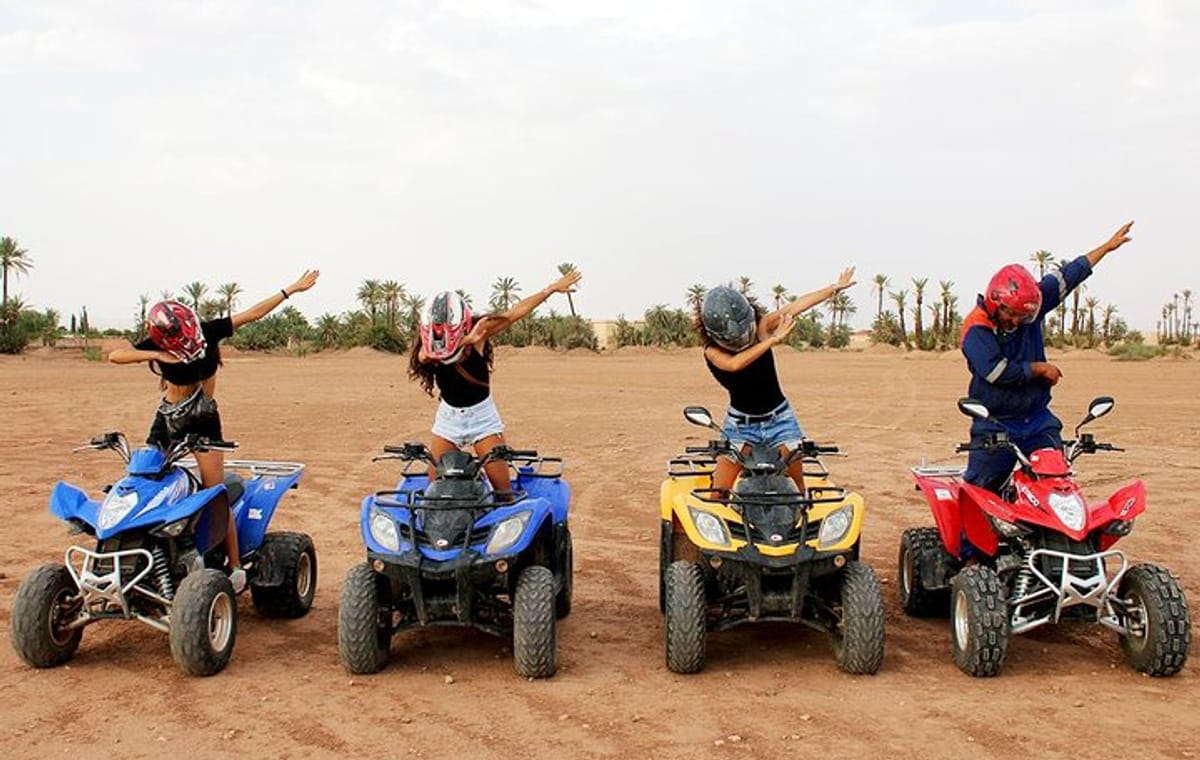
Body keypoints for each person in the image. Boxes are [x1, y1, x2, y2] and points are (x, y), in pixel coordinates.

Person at [108, 271, 320, 592]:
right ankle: (146, 554)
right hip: (167, 419)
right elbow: (115, 355)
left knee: (214, 494)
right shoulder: (158, 344)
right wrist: (155, 354)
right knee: (143, 479)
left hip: (204, 420)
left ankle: (234, 566)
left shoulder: (208, 331)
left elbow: (253, 313)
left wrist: (292, 289)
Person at [961, 222, 1134, 494]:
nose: (1018, 321)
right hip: (995, 422)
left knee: (1057, 486)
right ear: (997, 302)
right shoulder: (976, 328)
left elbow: (1068, 275)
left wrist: (1107, 248)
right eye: (1012, 315)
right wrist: (1039, 369)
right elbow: (995, 371)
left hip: (1038, 419)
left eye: (1024, 316)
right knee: (980, 495)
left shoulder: (1031, 305)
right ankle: (969, 539)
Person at [408, 270, 582, 496]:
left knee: (503, 493)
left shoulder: (480, 330)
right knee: (434, 491)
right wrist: (464, 341)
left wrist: (550, 289)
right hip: (448, 419)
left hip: (482, 419)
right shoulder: (432, 338)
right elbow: (423, 357)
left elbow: (515, 313)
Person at [697, 268, 856, 494]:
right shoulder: (712, 352)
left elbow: (795, 307)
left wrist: (834, 289)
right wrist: (773, 340)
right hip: (740, 425)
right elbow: (735, 365)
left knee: (799, 492)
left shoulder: (761, 327)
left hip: (780, 419)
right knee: (718, 493)